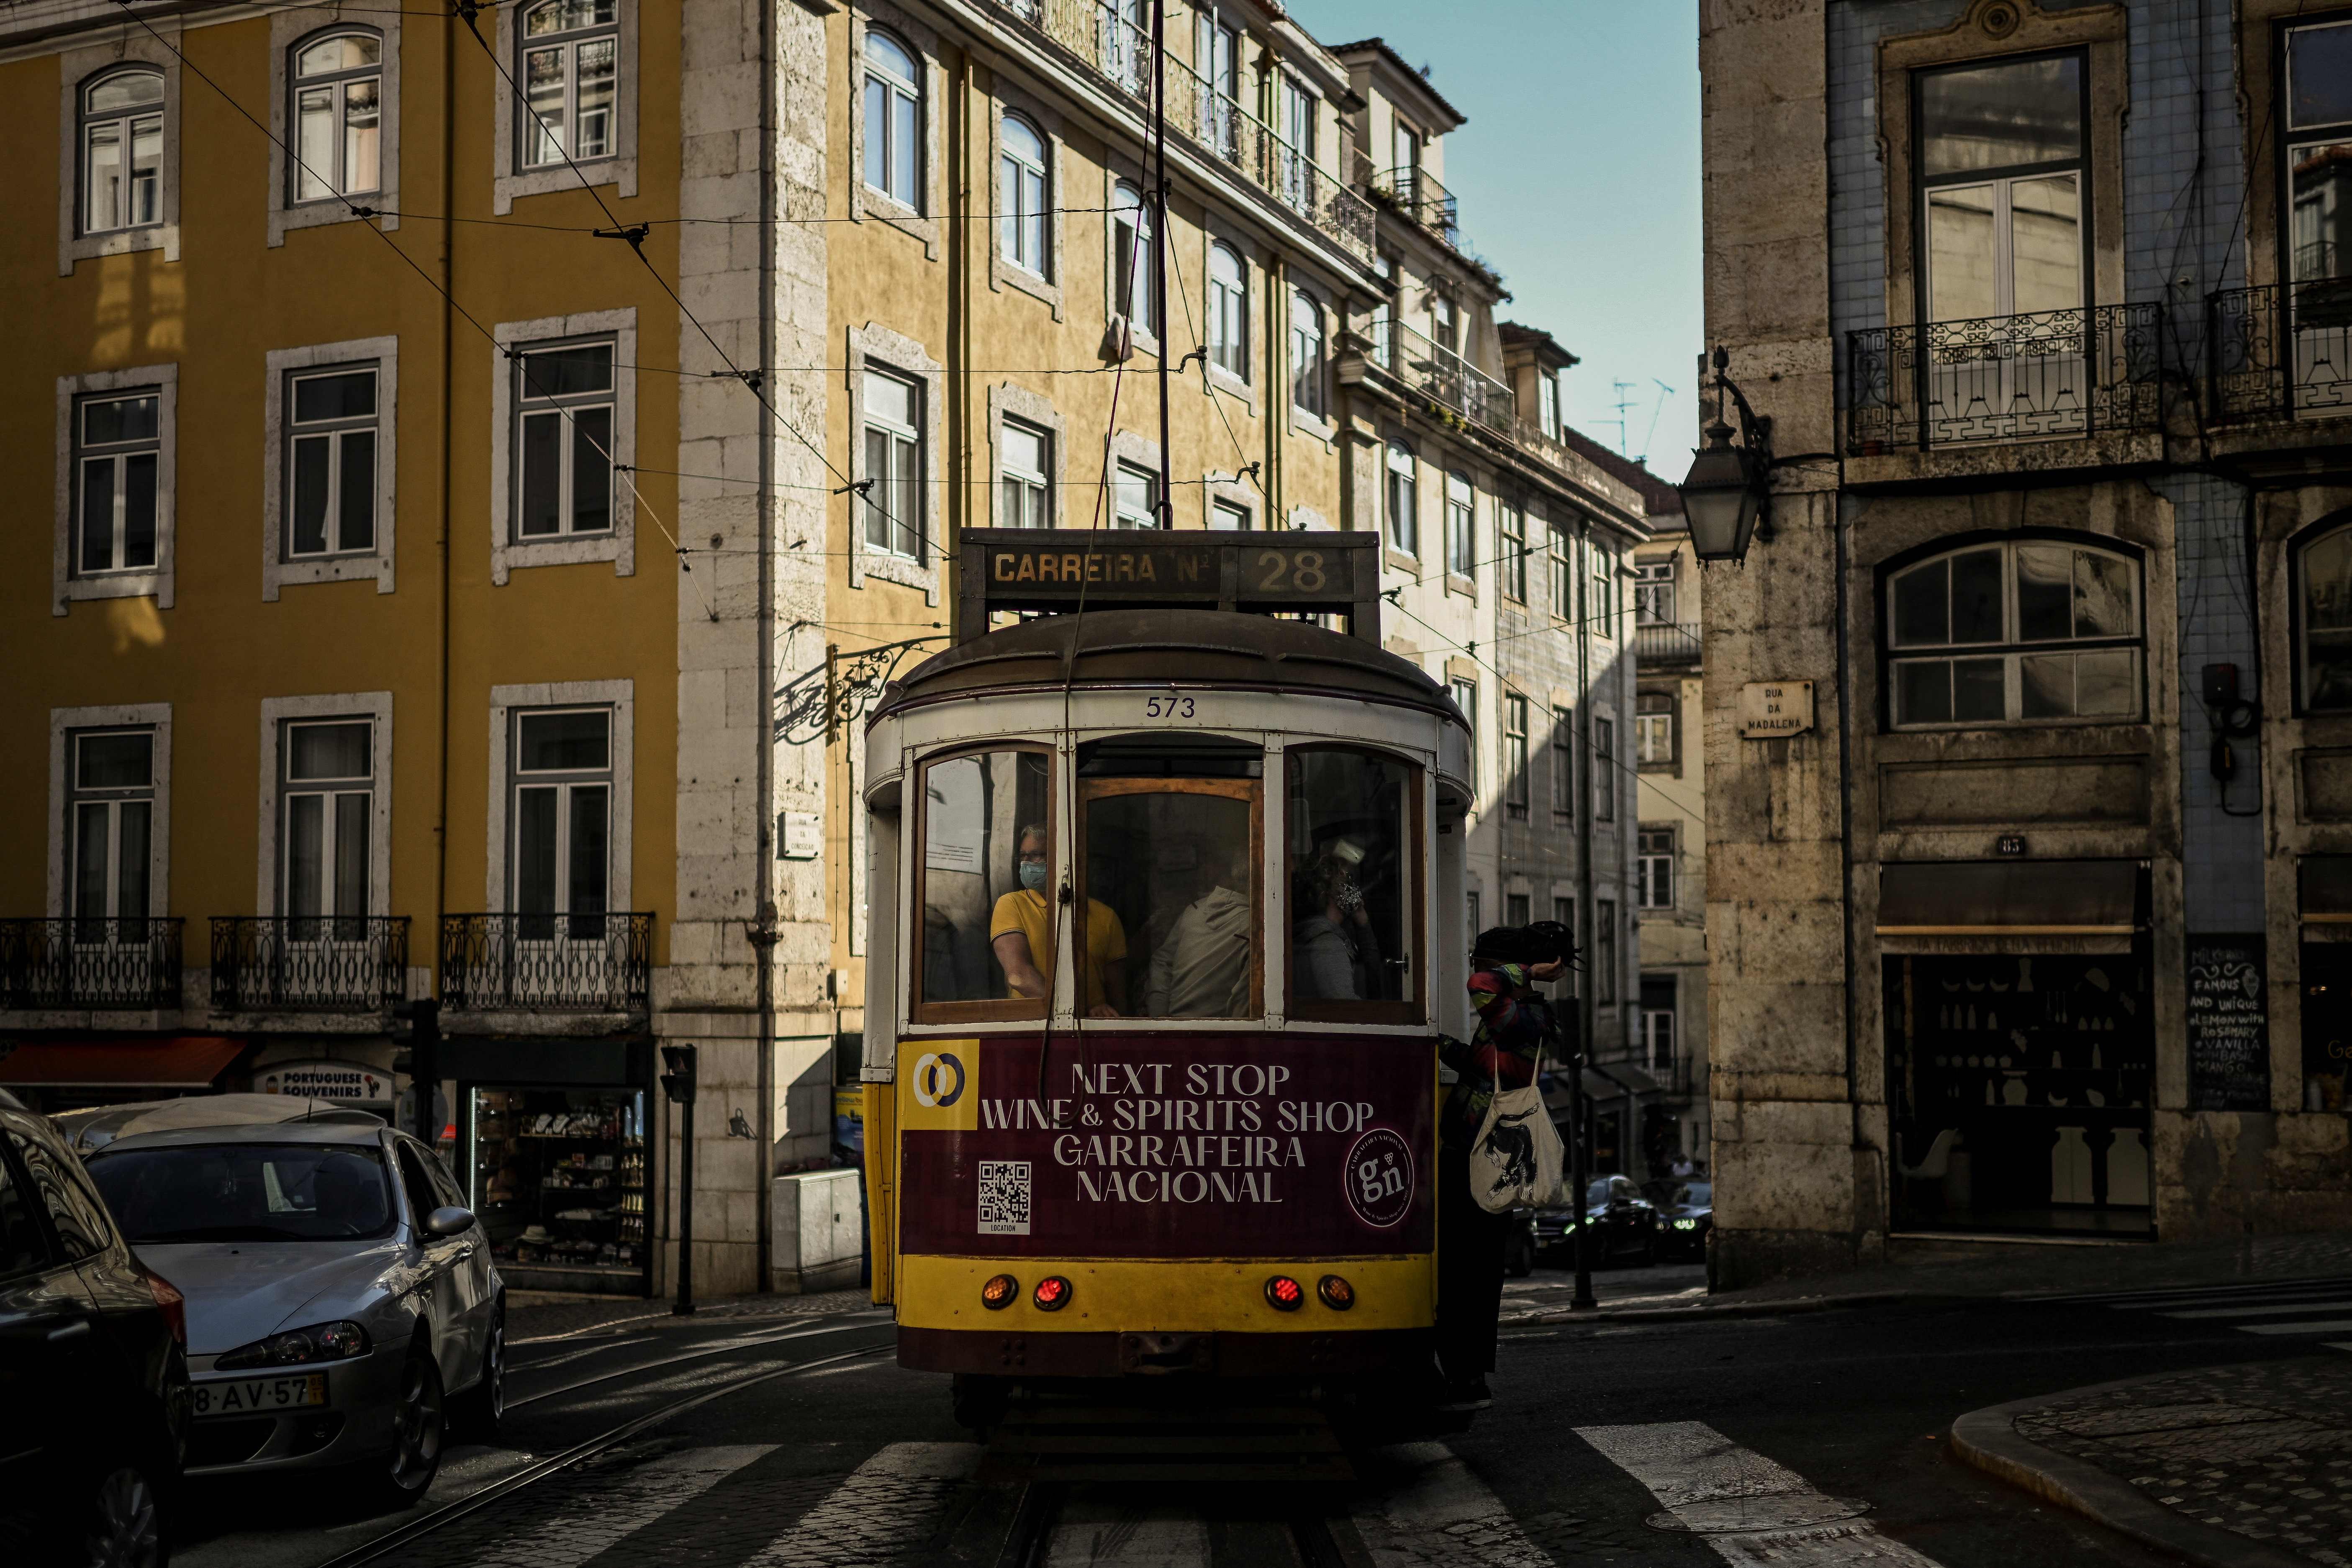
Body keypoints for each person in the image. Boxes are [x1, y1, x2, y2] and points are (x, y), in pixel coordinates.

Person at [1435, 921, 1572, 1408]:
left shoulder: (1522, 1017)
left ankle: (1467, 1377)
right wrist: (1438, 1045)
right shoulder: (1515, 1020)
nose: (1474, 971)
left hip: (1486, 1160)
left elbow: (1482, 986)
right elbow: (1484, 1068)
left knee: (1467, 1273)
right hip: (1476, 1155)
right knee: (1469, 1271)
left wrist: (1526, 971)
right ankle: (1463, 1373)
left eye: (1481, 962)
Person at [990, 824, 1128, 1017]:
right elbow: (1018, 976)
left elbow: (1119, 998)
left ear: (1061, 856)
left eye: (1036, 855)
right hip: (1030, 1029)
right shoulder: (1011, 904)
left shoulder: (1106, 917)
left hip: (1092, 1032)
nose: (1026, 863)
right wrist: (1078, 1012)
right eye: (1023, 856)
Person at [1144, 839, 1256, 1016]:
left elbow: (1161, 962)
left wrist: (1160, 1019)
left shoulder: (1193, 911)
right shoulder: (1254, 927)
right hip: (1210, 1038)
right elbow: (1243, 1010)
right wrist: (1159, 1021)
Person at [1292, 839, 1383, 1001]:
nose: (1355, 889)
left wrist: (1363, 924)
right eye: (1349, 881)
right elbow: (1345, 1008)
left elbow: (1374, 978)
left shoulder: (1326, 933)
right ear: (1337, 891)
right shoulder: (1328, 944)